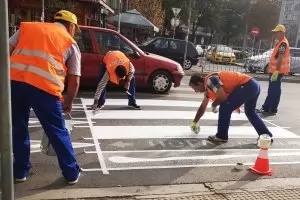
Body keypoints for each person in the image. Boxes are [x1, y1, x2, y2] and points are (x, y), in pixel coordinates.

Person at [9, 10, 81, 184]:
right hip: (45, 89)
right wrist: (69, 103)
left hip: (15, 84)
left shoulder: (28, 28)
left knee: (19, 127)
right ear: (70, 26)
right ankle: (71, 173)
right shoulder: (69, 42)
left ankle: (20, 171)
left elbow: (6, 49)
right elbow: (75, 80)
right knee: (57, 131)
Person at [189, 71, 273, 143]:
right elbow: (202, 107)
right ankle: (266, 135)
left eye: (195, 88)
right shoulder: (208, 89)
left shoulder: (210, 81)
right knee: (250, 112)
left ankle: (221, 136)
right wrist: (195, 122)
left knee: (225, 108)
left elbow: (223, 97)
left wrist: (214, 105)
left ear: (199, 83)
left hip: (247, 85)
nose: (196, 91)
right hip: (253, 85)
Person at [256, 24, 290, 115]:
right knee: (273, 90)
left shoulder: (283, 43)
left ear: (281, 33)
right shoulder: (280, 42)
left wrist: (276, 71)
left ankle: (269, 108)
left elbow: (280, 58)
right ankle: (269, 108)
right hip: (276, 71)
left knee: (273, 90)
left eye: (276, 32)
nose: (275, 34)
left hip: (278, 72)